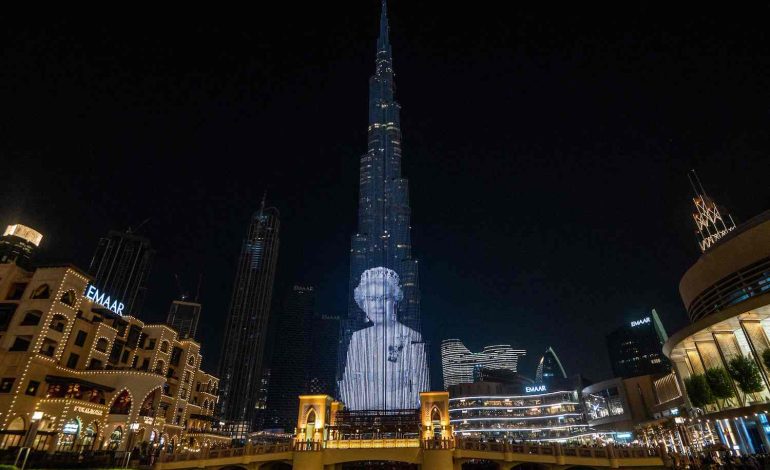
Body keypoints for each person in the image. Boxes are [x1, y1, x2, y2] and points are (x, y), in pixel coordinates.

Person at [339, 267, 430, 410]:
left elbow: (421, 384)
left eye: (385, 298)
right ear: (364, 304)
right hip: (363, 414)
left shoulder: (412, 336)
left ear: (395, 301)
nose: (378, 306)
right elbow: (348, 382)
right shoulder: (357, 338)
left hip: (402, 412)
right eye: (372, 299)